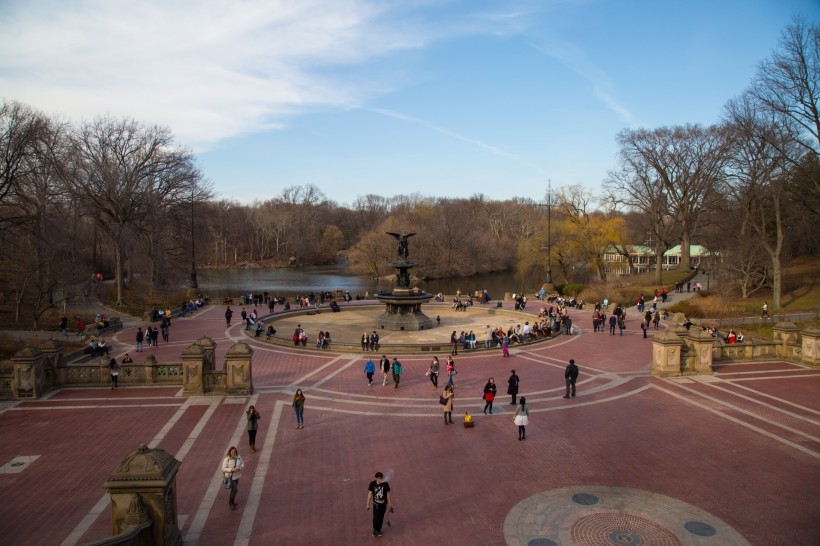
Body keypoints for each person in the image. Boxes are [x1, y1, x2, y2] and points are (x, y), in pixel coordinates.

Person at [366, 472, 393, 537]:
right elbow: (369, 494)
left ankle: (379, 529)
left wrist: (390, 503)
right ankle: (375, 529)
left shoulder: (385, 484)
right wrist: (367, 504)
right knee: (375, 518)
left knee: (381, 517)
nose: (380, 480)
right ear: (376, 478)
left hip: (383, 505)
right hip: (376, 504)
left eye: (381, 478)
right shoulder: (372, 484)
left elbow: (388, 494)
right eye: (379, 478)